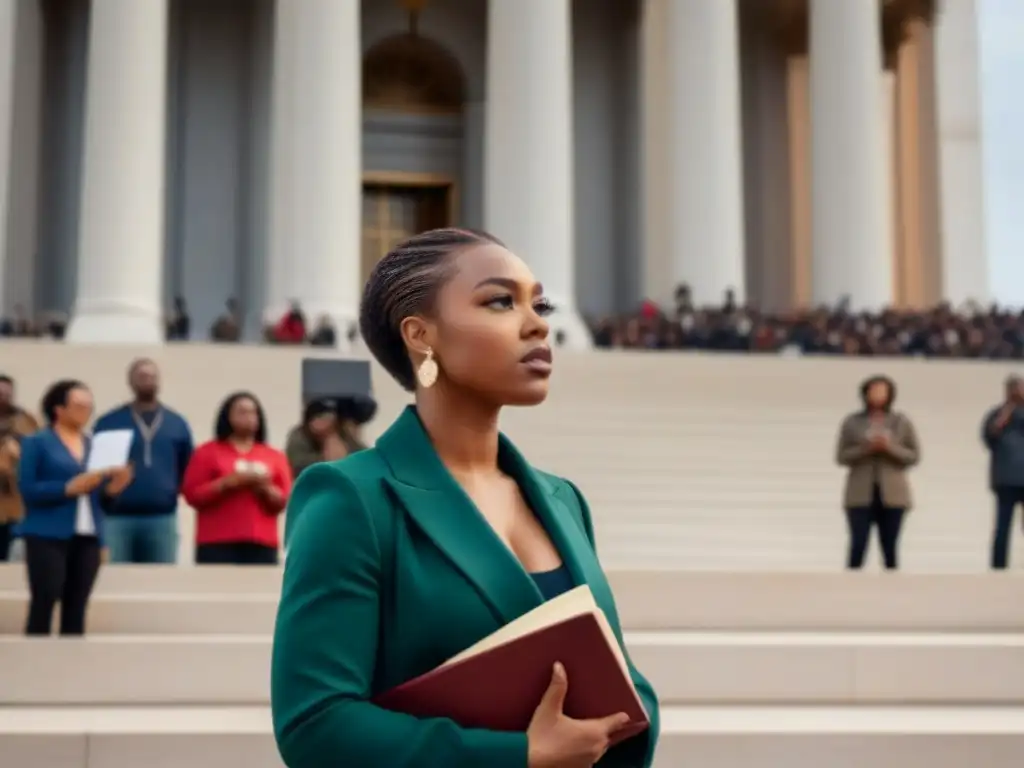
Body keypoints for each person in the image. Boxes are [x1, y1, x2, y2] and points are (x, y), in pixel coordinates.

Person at [272, 228, 659, 768]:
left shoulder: (564, 500)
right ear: (420, 335)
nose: (539, 323)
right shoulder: (349, 499)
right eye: (501, 301)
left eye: (538, 302)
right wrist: (517, 755)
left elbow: (622, 679)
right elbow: (314, 724)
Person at [17, 380, 133, 635]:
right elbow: (27, 489)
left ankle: (71, 662)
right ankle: (35, 659)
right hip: (47, 533)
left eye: (89, 406)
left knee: (77, 604)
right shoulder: (37, 442)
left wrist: (115, 488)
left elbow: (101, 500)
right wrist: (66, 488)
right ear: (59, 409)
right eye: (79, 405)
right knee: (45, 598)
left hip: (88, 534)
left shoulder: (94, 444)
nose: (86, 411)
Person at [93, 359, 194, 564]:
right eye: (141, 376)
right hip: (116, 518)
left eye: (152, 376)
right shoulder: (109, 422)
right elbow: (97, 468)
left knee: (161, 582)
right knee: (115, 579)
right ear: (130, 381)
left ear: (159, 381)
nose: (147, 380)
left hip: (162, 518)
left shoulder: (177, 423)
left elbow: (187, 466)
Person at [182, 392, 291, 565]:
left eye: (253, 412)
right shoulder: (207, 452)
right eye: (241, 412)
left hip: (261, 541)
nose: (249, 417)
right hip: (216, 541)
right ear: (227, 417)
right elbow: (192, 495)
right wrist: (227, 483)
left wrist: (264, 488)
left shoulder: (274, 456)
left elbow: (284, 499)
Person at [835, 375, 920, 570]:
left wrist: (889, 447)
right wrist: (865, 448)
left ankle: (892, 589)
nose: (878, 395)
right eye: (873, 390)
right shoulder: (852, 422)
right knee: (858, 546)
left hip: (893, 495)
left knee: (890, 548)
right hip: (860, 494)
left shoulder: (901, 422)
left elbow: (913, 456)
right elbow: (841, 456)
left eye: (883, 391)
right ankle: (851, 588)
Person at [980, 374, 1024, 569]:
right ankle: (998, 567)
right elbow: (989, 438)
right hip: (1005, 479)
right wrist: (1003, 417)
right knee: (1002, 527)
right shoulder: (997, 414)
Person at [0, 375, 39, 560]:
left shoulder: (25, 420)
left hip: (16, 502)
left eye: (7, 393)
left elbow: (38, 452)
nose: (3, 397)